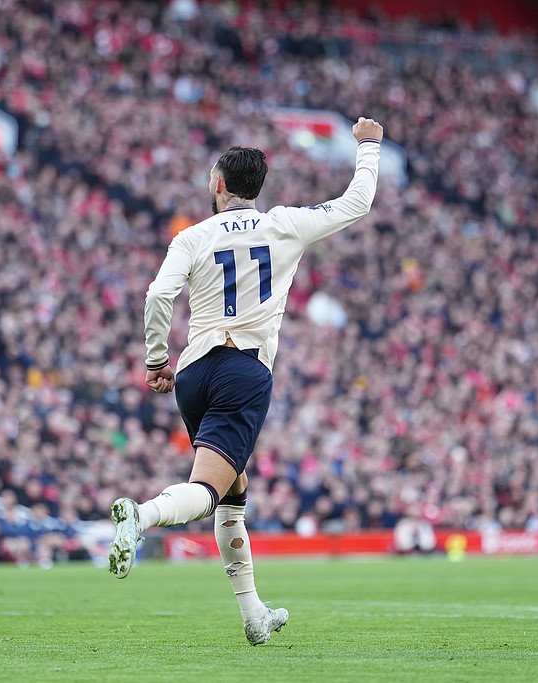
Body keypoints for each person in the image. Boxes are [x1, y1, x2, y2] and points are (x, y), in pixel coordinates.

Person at [108, 117, 384, 645]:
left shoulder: (192, 236)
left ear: (218, 184)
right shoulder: (285, 224)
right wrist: (368, 147)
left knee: (234, 493)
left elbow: (158, 296)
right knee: (209, 490)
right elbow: (356, 203)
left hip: (193, 373)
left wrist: (156, 360)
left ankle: (254, 614)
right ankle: (140, 517)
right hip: (244, 369)